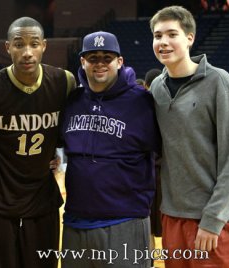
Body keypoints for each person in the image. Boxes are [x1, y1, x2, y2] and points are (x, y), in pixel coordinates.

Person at [0, 16, 76, 268]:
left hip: (43, 200)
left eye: (34, 44)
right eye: (19, 44)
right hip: (0, 202)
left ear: (44, 45)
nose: (27, 52)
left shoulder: (64, 82)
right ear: (7, 47)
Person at [60, 31, 161, 267]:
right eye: (93, 58)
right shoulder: (73, 100)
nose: (100, 63)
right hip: (76, 222)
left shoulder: (141, 101)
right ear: (82, 62)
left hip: (124, 221)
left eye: (107, 57)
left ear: (120, 61)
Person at [150, 5, 229, 267]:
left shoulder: (219, 82)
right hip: (172, 216)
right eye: (157, 35)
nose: (163, 42)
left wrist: (214, 219)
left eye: (171, 34)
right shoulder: (156, 89)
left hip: (213, 220)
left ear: (190, 37)